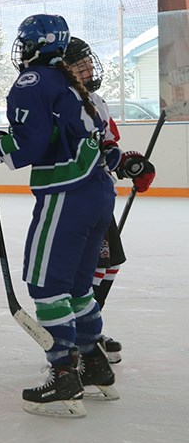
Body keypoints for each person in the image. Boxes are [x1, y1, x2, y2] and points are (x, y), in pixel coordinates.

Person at [0, 15, 121, 418]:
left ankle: (65, 376)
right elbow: (91, 139)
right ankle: (95, 363)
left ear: (34, 45)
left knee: (46, 285)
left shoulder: (34, 81)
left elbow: (29, 145)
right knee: (78, 287)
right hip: (98, 194)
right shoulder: (70, 81)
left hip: (67, 196)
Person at [63, 36, 155, 364]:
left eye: (89, 62)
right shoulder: (66, 104)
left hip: (99, 195)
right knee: (90, 268)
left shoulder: (96, 101)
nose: (88, 69)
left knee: (110, 262)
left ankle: (88, 327)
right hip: (77, 200)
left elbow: (109, 145)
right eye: (80, 65)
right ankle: (75, 336)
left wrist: (130, 164)